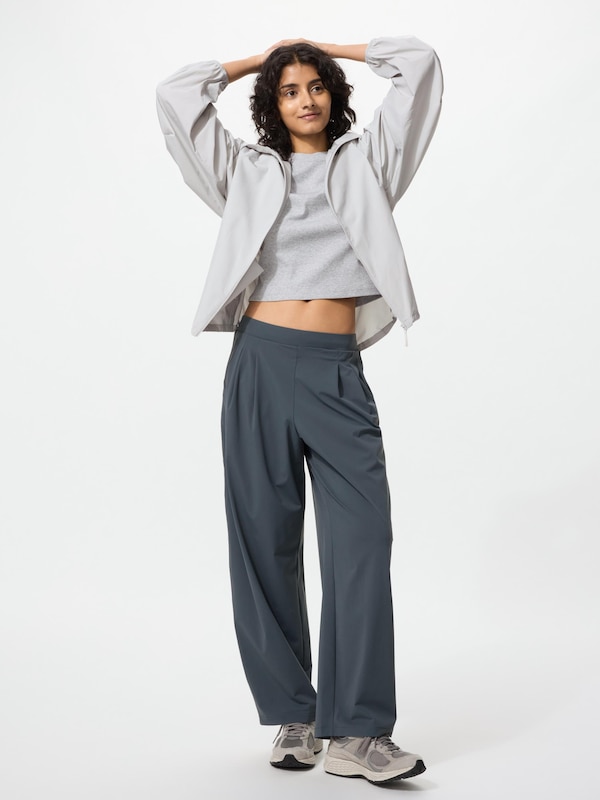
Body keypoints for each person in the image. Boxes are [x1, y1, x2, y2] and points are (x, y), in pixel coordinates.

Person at [156, 34, 443, 785]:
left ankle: (360, 732)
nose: (305, 99)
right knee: (264, 543)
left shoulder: (369, 162)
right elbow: (177, 96)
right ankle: (295, 714)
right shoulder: (246, 171)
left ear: (333, 93)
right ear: (272, 104)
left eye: (315, 85)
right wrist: (263, 57)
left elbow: (418, 66)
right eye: (289, 90)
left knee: (362, 544)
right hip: (258, 363)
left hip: (335, 371)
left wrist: (326, 49)